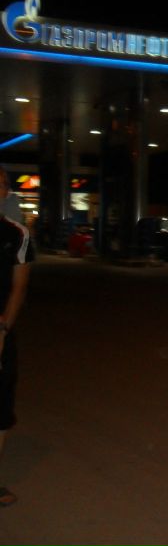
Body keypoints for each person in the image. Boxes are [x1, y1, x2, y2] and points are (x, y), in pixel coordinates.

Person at [0, 205, 33, 506]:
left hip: (1, 332)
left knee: (1, 408)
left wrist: (3, 329)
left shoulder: (17, 234)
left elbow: (18, 288)